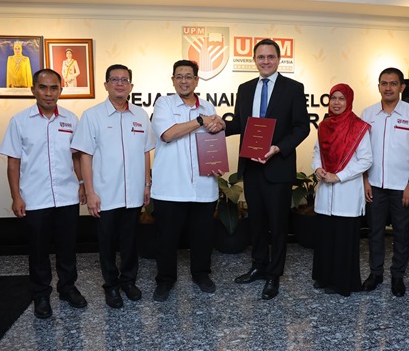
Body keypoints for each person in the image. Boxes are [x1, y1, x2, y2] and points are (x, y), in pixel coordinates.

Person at [225, 38, 310, 300]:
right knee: (257, 221)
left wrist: (278, 148)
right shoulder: (245, 88)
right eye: (260, 57)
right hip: (252, 167)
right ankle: (258, 266)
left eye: (270, 57)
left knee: (278, 223)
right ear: (254, 60)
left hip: (278, 167)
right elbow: (239, 123)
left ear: (279, 59)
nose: (265, 61)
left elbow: (302, 127)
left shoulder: (293, 88)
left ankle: (274, 274)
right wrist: (217, 125)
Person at [0, 68, 87, 319]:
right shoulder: (20, 121)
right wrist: (16, 196)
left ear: (61, 90)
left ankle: (67, 288)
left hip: (67, 196)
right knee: (38, 250)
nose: (49, 93)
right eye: (43, 87)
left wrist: (82, 183)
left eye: (54, 88)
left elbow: (77, 156)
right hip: (35, 198)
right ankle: (40, 294)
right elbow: (13, 162)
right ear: (33, 90)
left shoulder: (71, 119)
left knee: (67, 247)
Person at [71, 64, 155, 309]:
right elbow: (85, 155)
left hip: (133, 193)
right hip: (105, 193)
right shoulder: (92, 115)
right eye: (115, 79)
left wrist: (147, 183)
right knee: (107, 243)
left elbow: (145, 151)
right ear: (106, 85)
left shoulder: (140, 115)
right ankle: (111, 286)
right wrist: (90, 191)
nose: (120, 83)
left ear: (131, 86)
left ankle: (128, 281)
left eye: (124, 80)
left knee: (130, 241)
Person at [150, 60, 225, 301]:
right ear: (173, 80)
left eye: (189, 76)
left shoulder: (208, 105)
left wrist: (220, 130)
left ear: (196, 80)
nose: (184, 81)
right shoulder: (164, 104)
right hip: (171, 186)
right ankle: (165, 280)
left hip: (203, 185)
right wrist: (201, 121)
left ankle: (201, 274)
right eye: (179, 76)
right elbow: (167, 134)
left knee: (203, 236)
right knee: (166, 238)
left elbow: (214, 139)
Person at [361, 67, 409, 297]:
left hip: (402, 188)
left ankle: (398, 276)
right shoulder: (367, 114)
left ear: (402, 87)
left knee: (401, 233)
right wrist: (365, 181)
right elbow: (362, 151)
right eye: (384, 83)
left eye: (393, 83)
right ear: (378, 86)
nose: (388, 88)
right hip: (374, 186)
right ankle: (375, 273)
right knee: (375, 233)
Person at [312, 83, 372, 296]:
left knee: (343, 240)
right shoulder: (324, 126)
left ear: (349, 101)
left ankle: (341, 283)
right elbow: (317, 152)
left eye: (341, 98)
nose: (336, 103)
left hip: (347, 192)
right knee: (325, 238)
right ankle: (323, 277)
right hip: (325, 191)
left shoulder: (358, 127)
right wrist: (317, 168)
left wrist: (339, 176)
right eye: (333, 98)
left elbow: (366, 160)